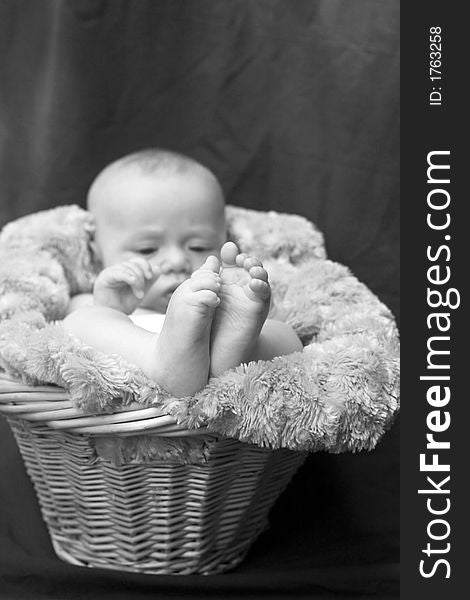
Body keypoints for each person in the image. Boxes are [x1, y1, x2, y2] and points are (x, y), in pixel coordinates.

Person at [63, 149, 302, 397]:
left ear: (225, 238)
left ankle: (238, 354)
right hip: (142, 353)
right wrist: (109, 307)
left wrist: (249, 335)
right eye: (148, 249)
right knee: (78, 322)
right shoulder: (95, 297)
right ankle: (160, 360)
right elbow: (60, 336)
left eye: (198, 247)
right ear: (96, 251)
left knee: (287, 335)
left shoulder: (225, 301)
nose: (178, 261)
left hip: (215, 334)